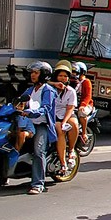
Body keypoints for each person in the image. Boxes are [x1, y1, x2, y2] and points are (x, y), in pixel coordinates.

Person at [21, 61, 57, 195]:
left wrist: (31, 112)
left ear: (43, 75)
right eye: (32, 73)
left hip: (42, 125)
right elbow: (20, 101)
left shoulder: (48, 90)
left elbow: (46, 108)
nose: (33, 75)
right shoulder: (30, 90)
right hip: (27, 123)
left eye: (36, 73)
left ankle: (38, 183)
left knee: (38, 151)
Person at [52, 61, 79, 175]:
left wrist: (64, 121)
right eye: (60, 76)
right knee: (60, 130)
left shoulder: (71, 91)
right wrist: (54, 84)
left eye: (65, 76)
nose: (62, 78)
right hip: (53, 115)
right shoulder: (50, 88)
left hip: (66, 114)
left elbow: (70, 108)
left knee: (74, 124)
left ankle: (71, 149)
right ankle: (63, 163)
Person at [72, 62, 94, 145]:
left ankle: (84, 133)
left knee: (81, 113)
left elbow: (88, 96)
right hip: (75, 104)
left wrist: (82, 105)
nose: (73, 74)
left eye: (76, 72)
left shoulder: (86, 82)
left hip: (87, 105)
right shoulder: (73, 81)